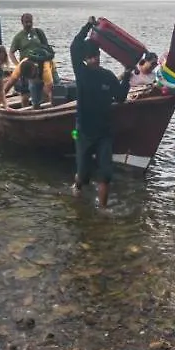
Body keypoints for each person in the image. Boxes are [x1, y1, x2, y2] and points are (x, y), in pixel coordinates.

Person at [70, 17, 132, 207]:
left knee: (106, 174)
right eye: (90, 56)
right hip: (84, 132)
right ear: (85, 59)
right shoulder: (81, 73)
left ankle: (103, 209)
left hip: (104, 133)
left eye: (96, 55)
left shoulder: (108, 76)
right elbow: (74, 46)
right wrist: (87, 26)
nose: (94, 59)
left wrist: (127, 75)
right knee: (84, 174)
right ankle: (77, 186)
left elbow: (120, 97)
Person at [10, 13, 56, 106]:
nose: (28, 24)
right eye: (26, 22)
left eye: (30, 22)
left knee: (45, 90)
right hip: (25, 66)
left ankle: (46, 108)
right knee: (25, 94)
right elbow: (11, 53)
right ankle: (24, 112)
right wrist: (17, 65)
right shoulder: (18, 37)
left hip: (39, 66)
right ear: (22, 22)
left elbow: (46, 47)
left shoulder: (38, 33)